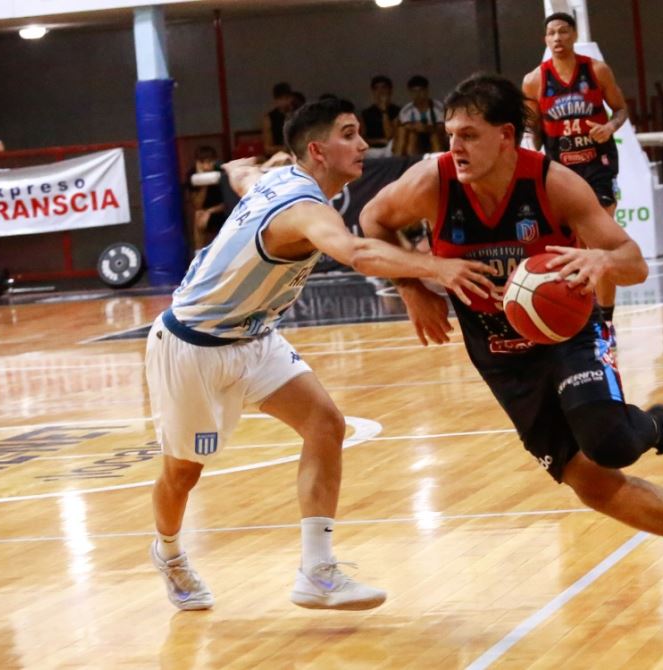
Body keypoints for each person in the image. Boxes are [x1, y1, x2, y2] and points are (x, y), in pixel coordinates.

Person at [359, 73, 663, 609]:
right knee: (591, 484)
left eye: (469, 135)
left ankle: (662, 426)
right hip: (501, 356)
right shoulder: (433, 181)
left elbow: (634, 262)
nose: (455, 147)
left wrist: (600, 259)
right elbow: (372, 220)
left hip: (570, 334)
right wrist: (415, 283)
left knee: (610, 445)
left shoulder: (553, 183)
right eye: (450, 134)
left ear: (506, 135)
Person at [146, 97, 496, 611]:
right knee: (183, 473)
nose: (363, 144)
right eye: (349, 134)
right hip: (194, 346)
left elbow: (244, 178)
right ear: (317, 150)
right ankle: (169, 551)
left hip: (255, 336)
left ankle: (316, 571)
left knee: (326, 424)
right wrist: (434, 269)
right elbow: (356, 252)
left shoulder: (279, 179)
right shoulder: (304, 208)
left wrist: (238, 168)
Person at [522, 12, 628, 348]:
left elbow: (621, 109)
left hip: (598, 164)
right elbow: (534, 128)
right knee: (571, 247)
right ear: (545, 39)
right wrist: (531, 155)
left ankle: (606, 322)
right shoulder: (534, 80)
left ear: (574, 35)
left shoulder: (596, 70)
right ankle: (579, 319)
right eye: (551, 33)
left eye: (563, 31)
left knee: (601, 244)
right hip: (561, 170)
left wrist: (609, 127)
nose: (557, 38)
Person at [185, 145, 229, 252]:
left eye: (209, 162)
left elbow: (229, 202)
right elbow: (197, 205)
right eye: (202, 162)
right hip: (204, 212)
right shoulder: (192, 175)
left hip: (222, 211)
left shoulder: (222, 173)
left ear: (215, 161)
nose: (206, 166)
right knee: (198, 215)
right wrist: (203, 183)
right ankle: (198, 254)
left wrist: (210, 211)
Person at [395, 75, 446, 156]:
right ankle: (409, 161)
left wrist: (426, 128)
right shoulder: (406, 110)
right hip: (416, 141)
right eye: (414, 91)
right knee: (412, 136)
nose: (418, 94)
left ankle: (438, 161)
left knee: (435, 137)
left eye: (420, 90)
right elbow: (404, 127)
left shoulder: (438, 107)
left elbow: (442, 128)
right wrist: (415, 127)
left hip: (435, 137)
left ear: (426, 91)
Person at [359, 75, 400, 158]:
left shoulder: (397, 111)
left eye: (384, 88)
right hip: (372, 149)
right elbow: (362, 138)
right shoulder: (366, 113)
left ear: (390, 90)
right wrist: (380, 141)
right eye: (376, 88)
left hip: (391, 148)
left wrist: (384, 111)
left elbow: (390, 135)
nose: (380, 91)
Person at [261, 82, 296, 157]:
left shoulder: (297, 115)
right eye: (281, 99)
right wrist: (286, 149)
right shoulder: (269, 118)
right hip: (278, 157)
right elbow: (268, 148)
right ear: (276, 100)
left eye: (287, 98)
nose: (285, 102)